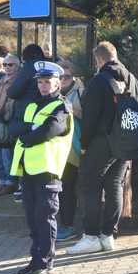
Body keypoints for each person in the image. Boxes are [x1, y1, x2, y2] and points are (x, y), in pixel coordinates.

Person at [66, 41, 138, 255]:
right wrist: (130, 132)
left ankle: (91, 236)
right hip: (125, 143)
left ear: (99, 60)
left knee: (89, 185)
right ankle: (108, 235)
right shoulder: (132, 79)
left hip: (101, 143)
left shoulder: (98, 81)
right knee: (115, 185)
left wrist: (84, 145)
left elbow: (90, 119)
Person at [10, 61, 73, 274]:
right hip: (28, 169)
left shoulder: (61, 107)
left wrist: (27, 133)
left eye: (47, 82)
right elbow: (13, 127)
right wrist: (30, 129)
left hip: (47, 170)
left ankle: (45, 262)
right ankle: (35, 259)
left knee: (45, 218)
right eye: (40, 82)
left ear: (58, 83)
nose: (43, 86)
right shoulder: (31, 105)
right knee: (32, 219)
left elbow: (48, 131)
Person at [8, 44, 47, 202]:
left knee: (22, 149)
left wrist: (9, 90)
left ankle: (22, 187)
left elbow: (14, 91)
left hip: (25, 114)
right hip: (41, 113)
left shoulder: (29, 67)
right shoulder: (44, 67)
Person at [56, 59, 85, 241]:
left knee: (67, 188)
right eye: (60, 76)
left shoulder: (81, 92)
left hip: (73, 148)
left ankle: (68, 226)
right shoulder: (53, 90)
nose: (63, 79)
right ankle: (62, 224)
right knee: (58, 188)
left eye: (67, 76)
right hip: (55, 148)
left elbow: (85, 115)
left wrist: (67, 105)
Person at [0, 54, 21, 195]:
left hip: (8, 123)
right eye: (5, 65)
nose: (7, 67)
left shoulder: (18, 82)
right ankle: (2, 181)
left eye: (11, 65)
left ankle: (10, 183)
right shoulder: (0, 81)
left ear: (18, 66)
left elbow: (8, 106)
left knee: (8, 157)